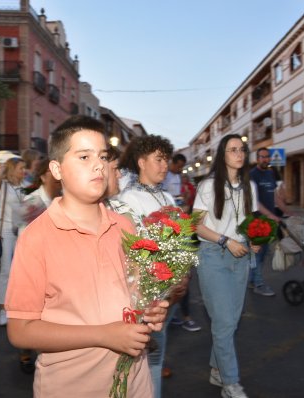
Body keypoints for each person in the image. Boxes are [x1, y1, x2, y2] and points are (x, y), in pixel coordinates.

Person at [4, 115, 168, 397]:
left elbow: (134, 292)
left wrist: (150, 310)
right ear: (56, 169)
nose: (98, 165)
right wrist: (103, 334)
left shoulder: (124, 226)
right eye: (83, 156)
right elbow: (20, 330)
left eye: (103, 156)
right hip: (72, 386)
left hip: (135, 382)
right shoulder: (36, 237)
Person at [193, 134, 260, 398]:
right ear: (223, 155)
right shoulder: (208, 186)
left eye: (242, 149)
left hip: (241, 257)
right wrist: (225, 240)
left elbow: (249, 221)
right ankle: (230, 383)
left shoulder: (249, 187)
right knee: (223, 322)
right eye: (233, 150)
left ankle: (217, 370)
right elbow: (195, 225)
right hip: (213, 256)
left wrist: (255, 239)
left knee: (229, 322)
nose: (239, 154)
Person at [118, 134, 180, 395]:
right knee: (135, 358)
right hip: (142, 290)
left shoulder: (168, 197)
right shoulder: (128, 199)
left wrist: (179, 276)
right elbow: (131, 248)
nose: (165, 165)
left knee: (156, 353)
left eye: (166, 159)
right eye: (159, 159)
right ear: (141, 162)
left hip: (166, 288)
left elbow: (179, 240)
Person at [248, 147, 285, 297]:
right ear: (257, 159)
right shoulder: (252, 175)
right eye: (262, 157)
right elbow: (254, 201)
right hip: (257, 220)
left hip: (269, 219)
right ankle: (259, 284)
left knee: (262, 254)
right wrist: (271, 215)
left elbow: (275, 196)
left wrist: (286, 211)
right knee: (258, 253)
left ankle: (253, 280)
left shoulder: (270, 173)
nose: (265, 159)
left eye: (267, 157)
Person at [0, 157, 26, 326]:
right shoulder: (3, 185)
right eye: (20, 168)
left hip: (23, 229)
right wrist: (6, 165)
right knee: (6, 270)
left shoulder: (25, 186)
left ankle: (18, 306)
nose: (23, 171)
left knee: (20, 270)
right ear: (12, 169)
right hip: (7, 230)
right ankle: (3, 310)